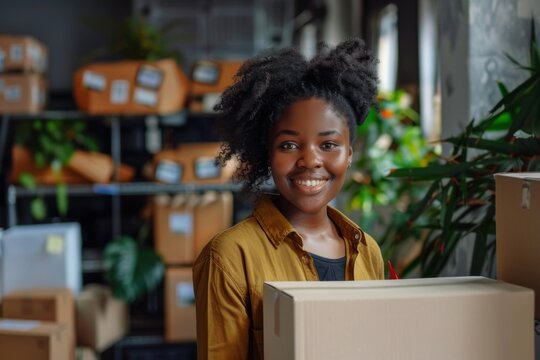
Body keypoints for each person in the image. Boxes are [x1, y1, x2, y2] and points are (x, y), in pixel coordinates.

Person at [193, 38, 383, 360]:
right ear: (268, 155)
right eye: (289, 146)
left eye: (328, 145)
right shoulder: (230, 257)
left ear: (349, 154)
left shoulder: (368, 251)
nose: (310, 160)